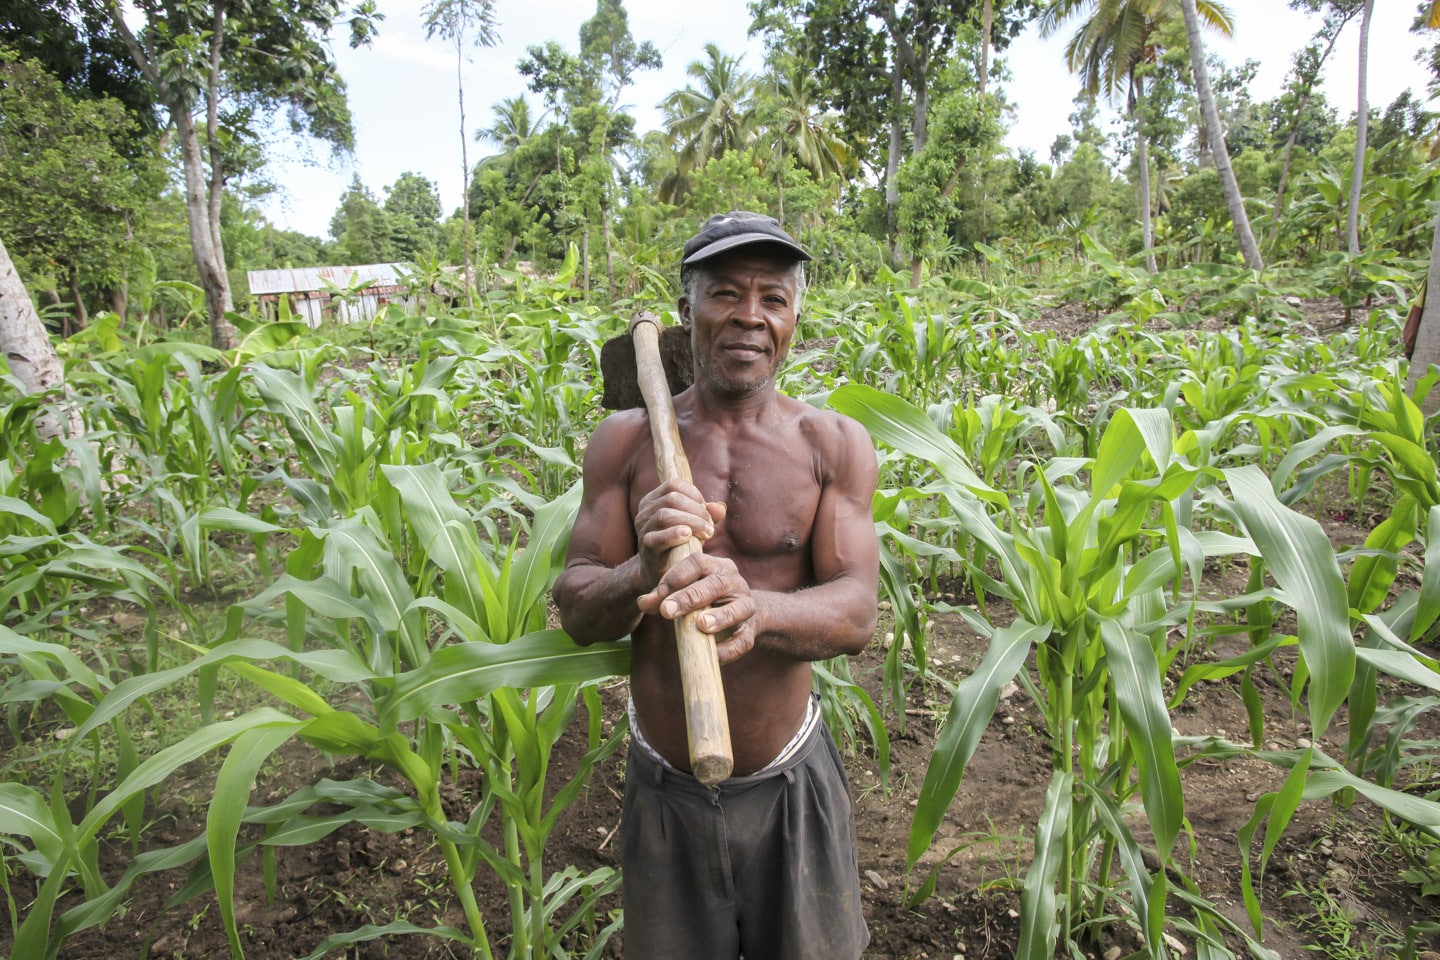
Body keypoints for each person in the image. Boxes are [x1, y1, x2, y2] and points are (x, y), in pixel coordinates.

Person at [553, 210, 879, 960]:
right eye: (726, 294)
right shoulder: (625, 441)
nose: (750, 317)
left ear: (795, 317)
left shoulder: (831, 444)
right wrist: (644, 565)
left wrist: (754, 606)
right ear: (685, 313)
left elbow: (857, 610)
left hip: (789, 787)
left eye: (774, 299)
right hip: (665, 791)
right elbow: (576, 607)